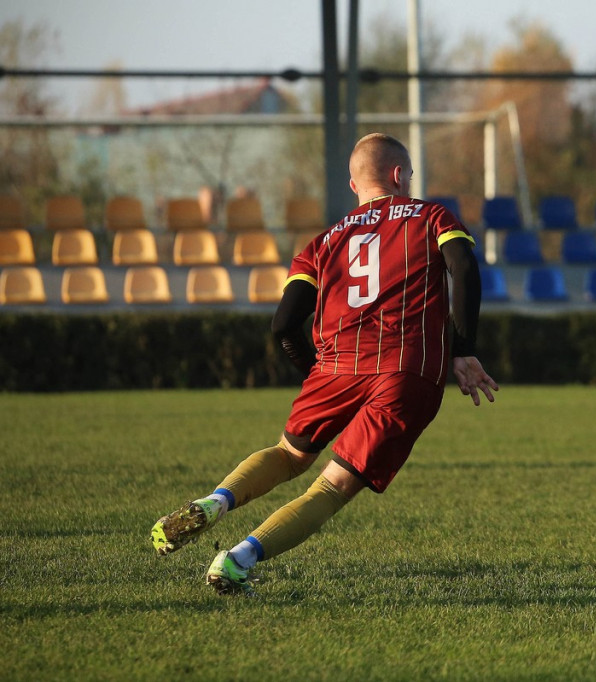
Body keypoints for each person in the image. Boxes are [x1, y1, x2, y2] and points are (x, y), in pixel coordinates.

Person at [151, 132, 499, 595]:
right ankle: (237, 559)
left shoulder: (321, 243)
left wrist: (318, 371)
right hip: (404, 367)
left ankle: (215, 501)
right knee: (331, 487)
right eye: (408, 175)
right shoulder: (429, 215)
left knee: (289, 454)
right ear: (399, 175)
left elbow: (283, 324)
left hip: (335, 366)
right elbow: (464, 268)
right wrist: (463, 347)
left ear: (355, 186)